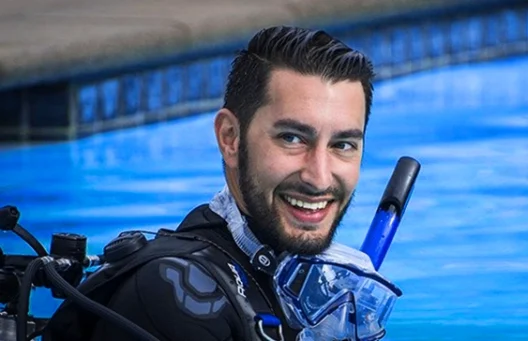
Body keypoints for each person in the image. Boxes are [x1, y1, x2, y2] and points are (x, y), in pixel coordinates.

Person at [45, 26, 381, 341]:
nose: (319, 177)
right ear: (230, 138)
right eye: (292, 138)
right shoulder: (177, 299)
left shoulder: (316, 287)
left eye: (342, 145)